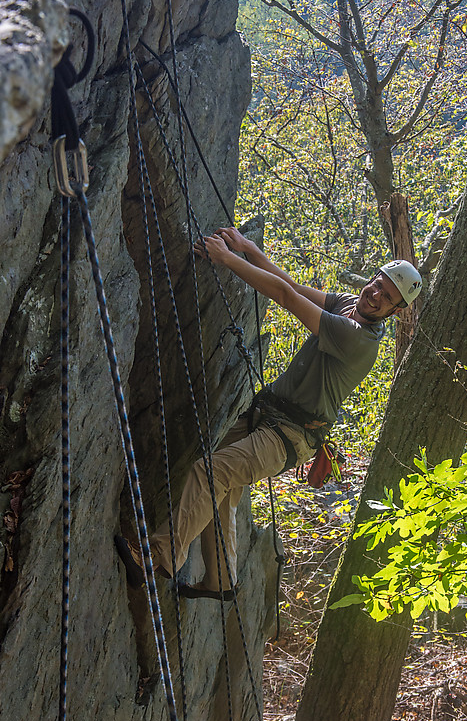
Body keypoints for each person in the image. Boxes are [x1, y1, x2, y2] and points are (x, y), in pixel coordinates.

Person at [115, 227, 422, 598]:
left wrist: (228, 259)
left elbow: (285, 297)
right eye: (377, 284)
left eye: (386, 297)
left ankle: (156, 559)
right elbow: (289, 284)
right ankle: (222, 582)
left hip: (287, 436)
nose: (374, 294)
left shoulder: (358, 338)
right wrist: (248, 248)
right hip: (269, 417)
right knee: (222, 489)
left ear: (396, 310)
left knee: (208, 472)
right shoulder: (346, 304)